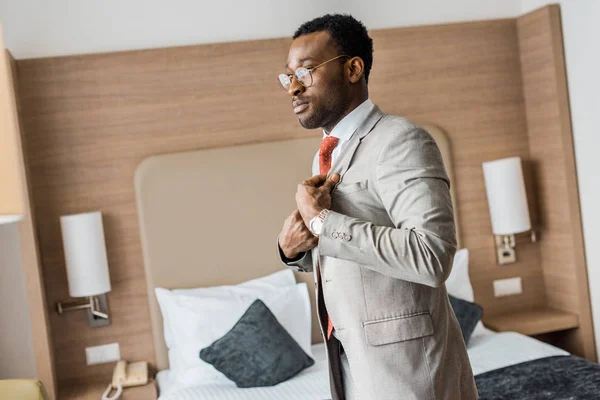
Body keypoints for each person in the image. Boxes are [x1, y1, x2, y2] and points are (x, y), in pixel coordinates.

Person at [276, 14, 478, 400]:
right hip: (350, 368)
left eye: (306, 71)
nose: (293, 88)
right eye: (288, 77)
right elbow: (342, 256)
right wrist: (293, 249)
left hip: (410, 374)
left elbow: (432, 257)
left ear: (354, 69)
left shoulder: (401, 141)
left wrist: (321, 222)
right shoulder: (326, 157)